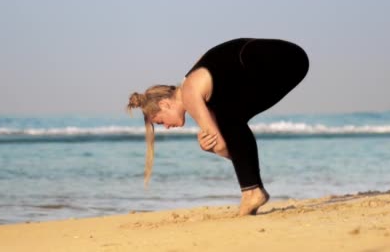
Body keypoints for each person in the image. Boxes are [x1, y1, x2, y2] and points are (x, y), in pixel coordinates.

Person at [126, 38, 309, 215]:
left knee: (228, 118)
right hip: (293, 59)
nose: (165, 127)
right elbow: (234, 147)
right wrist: (217, 144)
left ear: (165, 104)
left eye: (160, 121)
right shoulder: (196, 87)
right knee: (229, 117)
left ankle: (252, 192)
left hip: (278, 58)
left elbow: (222, 145)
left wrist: (212, 147)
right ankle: (253, 191)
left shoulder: (189, 93)